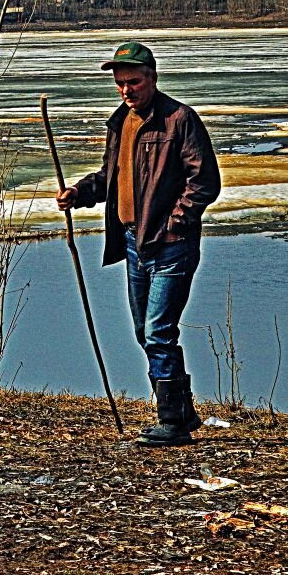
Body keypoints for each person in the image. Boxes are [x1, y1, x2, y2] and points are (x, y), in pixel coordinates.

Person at [57, 42, 220, 447]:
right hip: (133, 243)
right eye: (120, 84)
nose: (126, 91)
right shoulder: (121, 123)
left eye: (133, 82)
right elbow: (111, 177)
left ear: (152, 78)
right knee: (143, 330)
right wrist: (80, 192)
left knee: (158, 330)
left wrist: (174, 225)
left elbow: (204, 183)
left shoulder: (179, 119)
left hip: (169, 245)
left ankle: (172, 422)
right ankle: (181, 413)